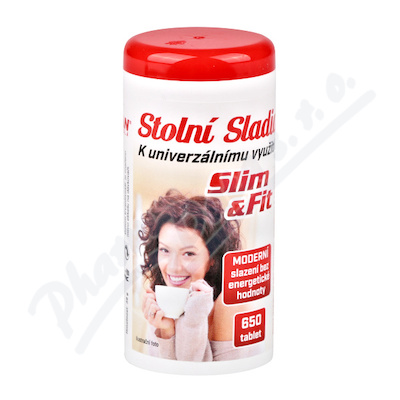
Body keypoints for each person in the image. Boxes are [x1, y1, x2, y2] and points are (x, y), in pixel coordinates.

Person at [139, 189, 261, 361]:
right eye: (165, 250)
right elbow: (166, 371)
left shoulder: (230, 303)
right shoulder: (160, 303)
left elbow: (210, 374)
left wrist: (193, 321)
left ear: (212, 259)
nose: (173, 267)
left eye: (188, 253)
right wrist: (166, 331)